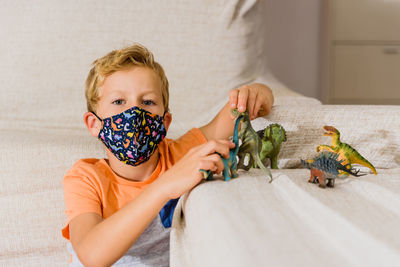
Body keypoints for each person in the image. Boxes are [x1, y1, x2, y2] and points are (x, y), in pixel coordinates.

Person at [61, 43, 274, 266]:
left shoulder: (180, 154)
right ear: (94, 124)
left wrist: (257, 91)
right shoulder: (86, 178)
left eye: (147, 102)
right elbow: (91, 255)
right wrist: (166, 185)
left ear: (165, 122)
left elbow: (235, 111)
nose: (134, 113)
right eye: (118, 101)